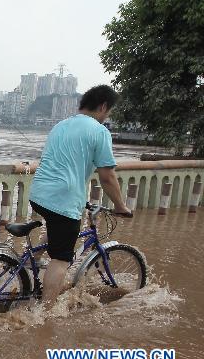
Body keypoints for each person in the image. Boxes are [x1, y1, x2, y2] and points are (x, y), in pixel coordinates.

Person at [28, 84, 132, 307]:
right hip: (63, 197)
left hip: (39, 193)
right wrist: (121, 206)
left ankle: (30, 265)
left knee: (57, 230)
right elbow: (107, 177)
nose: (108, 116)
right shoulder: (99, 131)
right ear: (103, 106)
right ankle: (45, 313)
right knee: (61, 259)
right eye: (109, 111)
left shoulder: (60, 125)